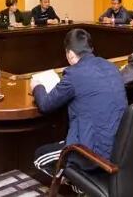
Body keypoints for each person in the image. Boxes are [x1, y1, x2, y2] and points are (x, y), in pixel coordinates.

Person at [32, 29, 127, 177]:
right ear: (90, 49)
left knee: (39, 157)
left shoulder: (74, 74)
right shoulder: (111, 67)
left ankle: (78, 182)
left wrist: (37, 86)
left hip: (91, 154)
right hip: (119, 148)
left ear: (70, 53)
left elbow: (45, 105)